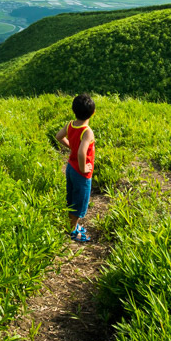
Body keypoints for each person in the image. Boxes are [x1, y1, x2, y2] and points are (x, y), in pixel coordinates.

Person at [56, 93, 96, 243]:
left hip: (70, 168)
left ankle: (73, 224)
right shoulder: (87, 131)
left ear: (74, 110)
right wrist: (83, 168)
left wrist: (71, 146)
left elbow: (58, 136)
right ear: (93, 112)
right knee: (80, 201)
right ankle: (72, 230)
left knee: (72, 197)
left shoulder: (70, 124)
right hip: (81, 173)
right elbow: (81, 152)